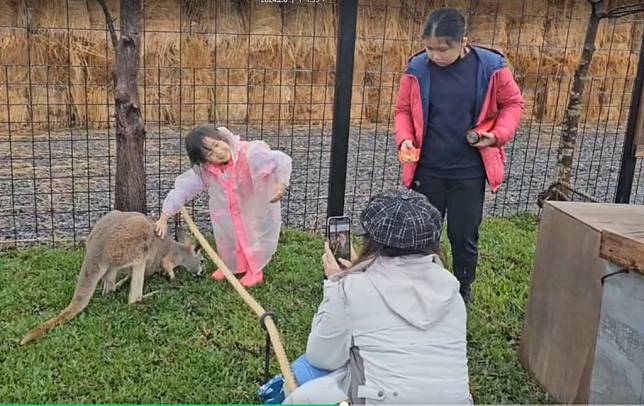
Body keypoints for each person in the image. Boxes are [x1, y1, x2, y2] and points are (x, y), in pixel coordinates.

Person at [282, 188, 471, 404]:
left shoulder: (350, 289)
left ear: (371, 239)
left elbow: (321, 356)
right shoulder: (452, 293)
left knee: (301, 378)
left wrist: (338, 283)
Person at [394, 7, 524, 303]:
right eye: (429, 48)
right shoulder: (417, 68)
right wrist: (404, 140)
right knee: (424, 233)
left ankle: (463, 289)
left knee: (463, 236)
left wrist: (497, 135)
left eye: (444, 48)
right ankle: (422, 288)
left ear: (464, 40)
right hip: (428, 169)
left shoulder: (490, 67)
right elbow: (402, 110)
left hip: (469, 171)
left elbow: (513, 104)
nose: (436, 55)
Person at [155, 124, 292, 288]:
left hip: (250, 205)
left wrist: (281, 183)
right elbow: (184, 188)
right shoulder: (206, 171)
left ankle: (255, 269)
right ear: (203, 160)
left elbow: (280, 160)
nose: (219, 152)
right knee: (228, 237)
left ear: (222, 138)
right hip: (226, 211)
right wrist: (165, 216)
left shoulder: (248, 153)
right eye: (210, 153)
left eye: (217, 144)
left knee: (252, 234)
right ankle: (231, 266)